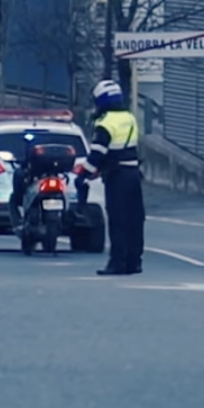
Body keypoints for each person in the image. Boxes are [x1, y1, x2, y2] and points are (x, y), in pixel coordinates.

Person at [78, 79, 144, 276]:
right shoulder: (129, 118)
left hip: (117, 176)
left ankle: (117, 262)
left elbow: (97, 153)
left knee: (117, 220)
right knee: (135, 220)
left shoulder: (105, 123)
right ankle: (134, 261)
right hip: (133, 174)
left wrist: (84, 174)